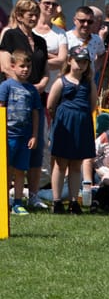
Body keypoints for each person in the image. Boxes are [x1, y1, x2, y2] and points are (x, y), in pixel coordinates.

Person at [1, 0, 50, 209]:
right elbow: (4, 66)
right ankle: (8, 197)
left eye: (36, 14)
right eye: (31, 14)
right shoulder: (10, 35)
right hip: (14, 102)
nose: (34, 17)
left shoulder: (40, 41)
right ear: (20, 15)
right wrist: (25, 89)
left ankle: (33, 195)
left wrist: (39, 86)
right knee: (10, 155)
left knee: (36, 149)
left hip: (36, 100)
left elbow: (46, 70)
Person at [47, 46, 98, 214]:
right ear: (69, 60)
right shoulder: (61, 81)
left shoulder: (88, 83)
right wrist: (62, 117)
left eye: (85, 62)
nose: (81, 65)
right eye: (78, 61)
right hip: (64, 125)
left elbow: (92, 104)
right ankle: (57, 201)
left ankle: (74, 201)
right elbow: (51, 105)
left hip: (82, 125)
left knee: (77, 164)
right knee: (60, 163)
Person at [0, 51, 43, 214]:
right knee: (6, 169)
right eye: (22, 66)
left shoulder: (31, 89)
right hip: (8, 135)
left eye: (28, 66)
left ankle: (18, 202)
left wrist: (34, 135)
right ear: (13, 66)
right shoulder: (6, 86)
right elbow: (1, 107)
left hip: (25, 136)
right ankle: (4, 199)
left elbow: (35, 112)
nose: (25, 70)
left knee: (20, 170)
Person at [66, 6, 105, 82]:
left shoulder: (97, 40)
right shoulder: (65, 38)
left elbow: (102, 54)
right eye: (82, 21)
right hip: (67, 83)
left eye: (90, 22)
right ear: (74, 20)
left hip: (87, 83)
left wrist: (95, 68)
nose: (86, 24)